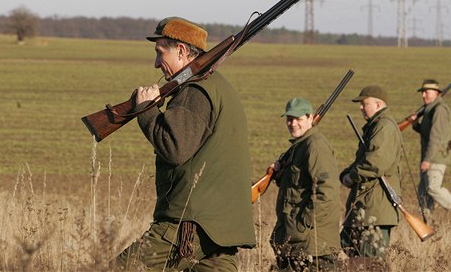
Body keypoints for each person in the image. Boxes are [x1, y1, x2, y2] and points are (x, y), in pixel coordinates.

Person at [115, 17, 255, 271]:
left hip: (189, 222)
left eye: (160, 53)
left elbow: (174, 148)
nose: (156, 63)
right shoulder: (216, 86)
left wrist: (146, 110)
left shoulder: (196, 90)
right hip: (220, 228)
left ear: (181, 51)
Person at [269, 97, 340, 271]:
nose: (293, 124)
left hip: (313, 246)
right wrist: (279, 174)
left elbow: (327, 192)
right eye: (289, 119)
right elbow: (297, 186)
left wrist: (302, 225)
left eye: (298, 119)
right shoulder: (299, 146)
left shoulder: (315, 146)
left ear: (310, 118)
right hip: (297, 242)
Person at [340, 85, 402, 258]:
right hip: (367, 207)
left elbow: (375, 162)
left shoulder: (384, 127)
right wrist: (346, 173)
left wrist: (351, 176)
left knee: (371, 262)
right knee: (350, 249)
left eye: (364, 103)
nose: (360, 107)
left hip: (376, 209)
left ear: (378, 104)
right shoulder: (376, 126)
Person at [408, 79, 451, 213]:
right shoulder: (429, 110)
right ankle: (426, 221)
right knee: (424, 192)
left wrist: (427, 159)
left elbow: (436, 138)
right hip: (428, 156)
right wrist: (415, 125)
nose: (423, 95)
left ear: (436, 93)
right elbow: (427, 133)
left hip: (435, 157)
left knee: (433, 187)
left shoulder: (439, 110)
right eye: (422, 92)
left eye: (426, 92)